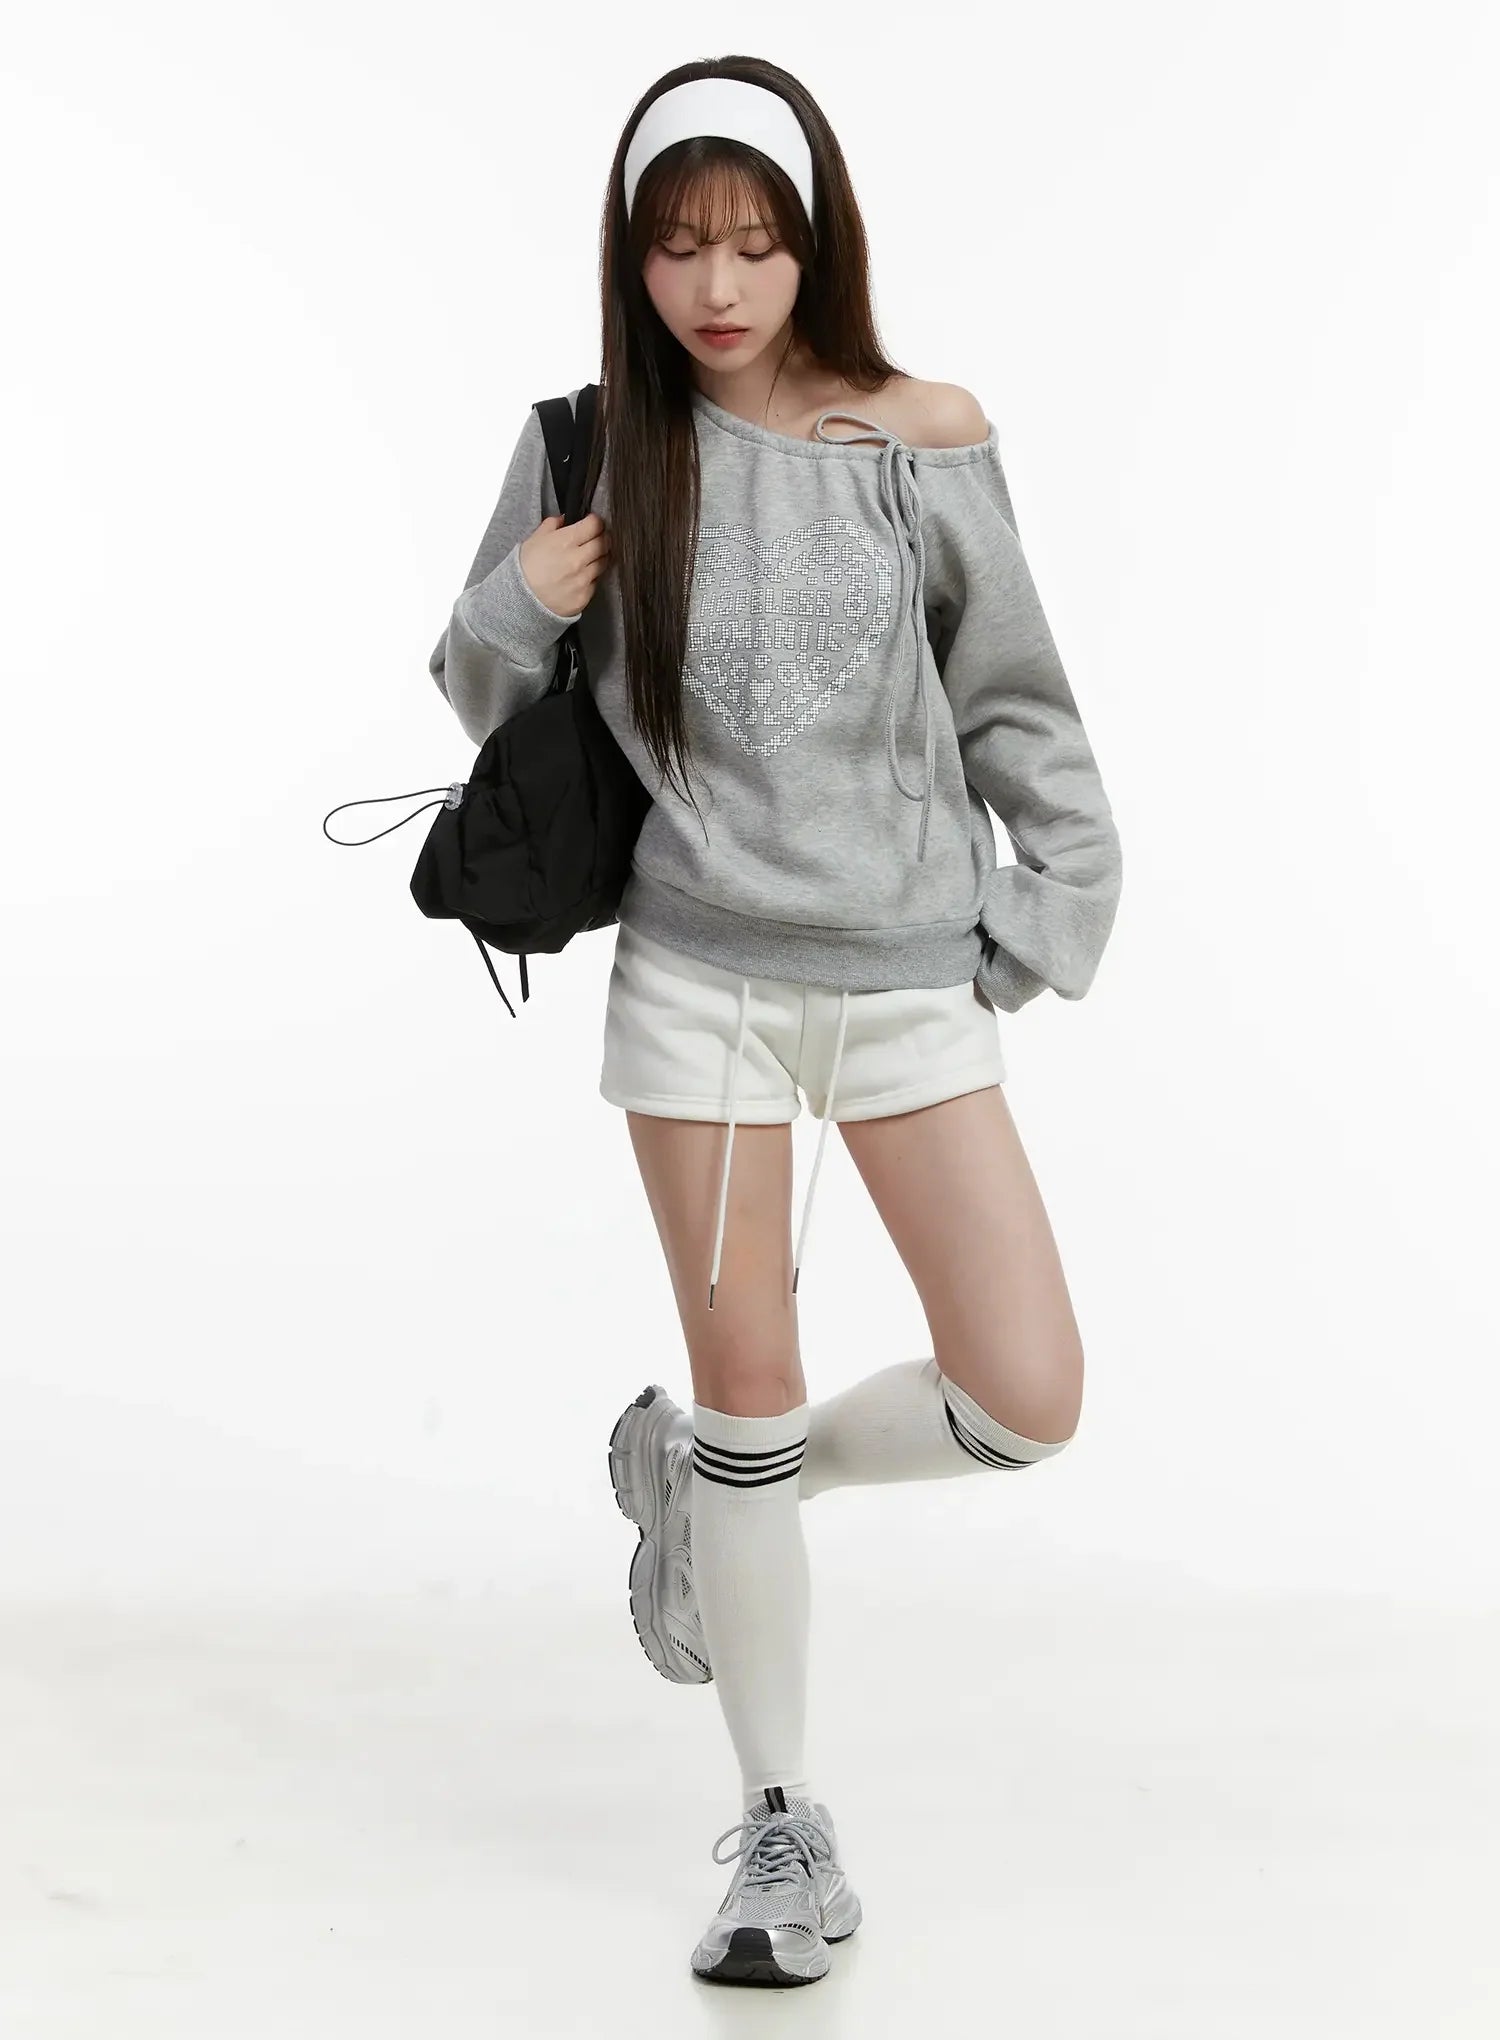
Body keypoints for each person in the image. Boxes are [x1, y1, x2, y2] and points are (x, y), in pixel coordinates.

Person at [429, 54, 1123, 1990]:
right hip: (698, 990)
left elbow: (1021, 704)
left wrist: (1041, 921)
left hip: (906, 983)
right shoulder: (593, 447)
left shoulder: (920, 433)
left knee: (1023, 1398)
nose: (717, 287)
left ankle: (716, 1485)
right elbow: (487, 709)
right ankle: (781, 1826)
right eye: (678, 248)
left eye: (753, 242)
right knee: (743, 1387)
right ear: (630, 260)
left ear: (817, 242)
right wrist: (515, 600)